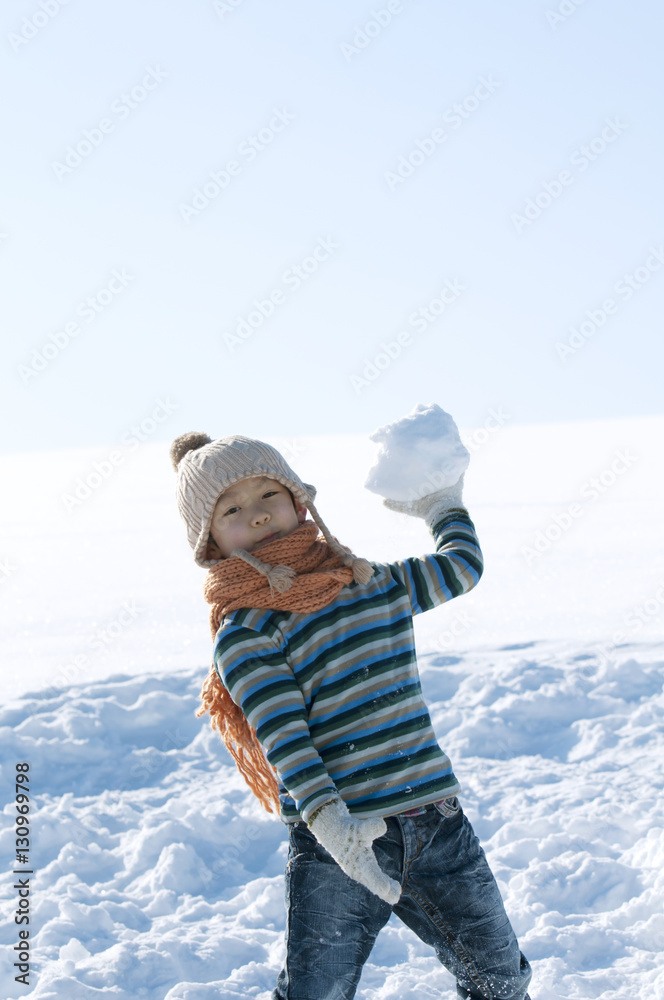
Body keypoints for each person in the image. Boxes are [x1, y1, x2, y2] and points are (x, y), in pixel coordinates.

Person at [171, 428, 532, 1000]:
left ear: (299, 500)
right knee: (318, 990)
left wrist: (443, 504)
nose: (258, 514)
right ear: (210, 540)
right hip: (339, 841)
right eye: (233, 509)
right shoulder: (246, 631)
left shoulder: (371, 584)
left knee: (500, 980)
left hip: (437, 823)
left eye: (269, 494)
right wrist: (331, 824)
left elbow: (459, 567)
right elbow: (282, 733)